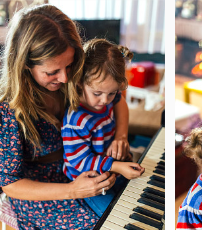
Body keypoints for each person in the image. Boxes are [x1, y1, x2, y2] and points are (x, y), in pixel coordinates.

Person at [0, 4, 113, 230]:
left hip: (78, 165)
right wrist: (73, 190)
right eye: (52, 72)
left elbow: (118, 97)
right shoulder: (8, 111)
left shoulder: (74, 77)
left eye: (69, 66)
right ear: (24, 65)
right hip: (40, 189)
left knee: (127, 203)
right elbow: (10, 184)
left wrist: (121, 136)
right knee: (104, 229)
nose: (65, 78)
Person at [62, 38, 145, 217]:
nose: (105, 101)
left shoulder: (107, 96)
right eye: (97, 93)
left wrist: (120, 138)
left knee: (137, 196)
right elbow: (80, 161)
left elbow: (119, 101)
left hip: (110, 167)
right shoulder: (76, 120)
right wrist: (117, 167)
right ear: (79, 82)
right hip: (88, 178)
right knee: (115, 215)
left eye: (112, 93)